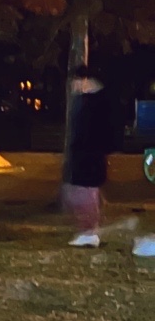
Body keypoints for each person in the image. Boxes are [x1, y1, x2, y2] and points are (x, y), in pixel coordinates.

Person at [64, 66, 114, 247]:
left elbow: (102, 130)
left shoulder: (95, 103)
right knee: (80, 193)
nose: (73, 86)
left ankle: (89, 232)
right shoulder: (86, 101)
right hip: (85, 156)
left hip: (90, 156)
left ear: (84, 80)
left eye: (74, 82)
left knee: (85, 194)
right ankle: (88, 231)